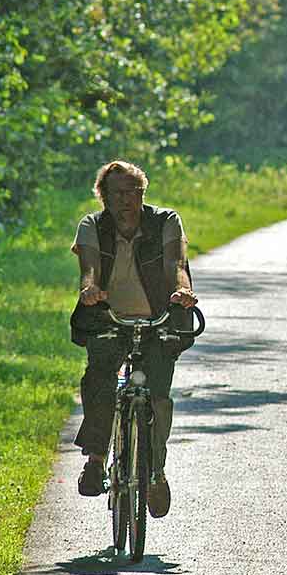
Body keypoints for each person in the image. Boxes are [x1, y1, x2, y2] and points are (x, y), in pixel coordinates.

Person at [71, 160, 198, 517]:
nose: (129, 200)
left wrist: (183, 292)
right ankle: (96, 460)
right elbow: (90, 267)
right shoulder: (92, 225)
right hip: (107, 317)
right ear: (104, 196)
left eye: (136, 192)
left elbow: (176, 264)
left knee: (157, 396)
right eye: (120, 193)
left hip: (159, 319)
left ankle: (155, 472)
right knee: (99, 378)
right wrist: (90, 289)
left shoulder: (165, 221)